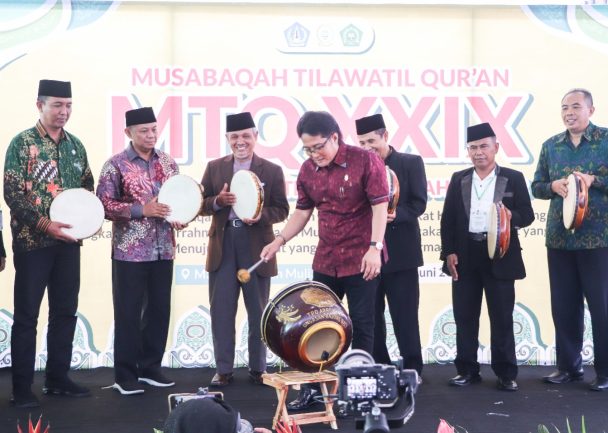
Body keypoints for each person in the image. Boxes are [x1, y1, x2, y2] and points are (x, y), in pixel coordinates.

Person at [261, 110, 389, 411]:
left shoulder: (365, 160)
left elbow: (380, 206)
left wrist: (375, 247)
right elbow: (302, 212)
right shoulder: (307, 170)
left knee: (362, 326)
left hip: (362, 258)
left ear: (334, 137)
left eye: (318, 147)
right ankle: (312, 390)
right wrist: (279, 240)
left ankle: (359, 394)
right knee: (314, 325)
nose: (314, 154)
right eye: (308, 149)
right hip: (327, 259)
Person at [532, 89, 608, 391]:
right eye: (564, 107)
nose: (569, 112)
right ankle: (568, 367)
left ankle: (607, 371)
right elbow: (536, 186)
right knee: (564, 306)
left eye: (576, 106)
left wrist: (595, 180)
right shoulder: (551, 145)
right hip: (560, 238)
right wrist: (552, 186)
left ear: (591, 110)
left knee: (602, 307)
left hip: (599, 239)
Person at [3, 79, 93, 407]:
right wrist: (45, 224)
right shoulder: (22, 143)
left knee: (65, 311)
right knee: (27, 316)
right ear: (39, 105)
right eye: (57, 105)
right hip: (33, 243)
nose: (63, 111)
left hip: (68, 242)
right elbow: (12, 194)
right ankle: (21, 388)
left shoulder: (75, 145)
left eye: (68, 105)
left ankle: (57, 378)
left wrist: (87, 220)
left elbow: (87, 187)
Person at [440, 122, 534, 392]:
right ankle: (467, 370)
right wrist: (449, 252)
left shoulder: (513, 177)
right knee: (465, 316)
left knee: (502, 317)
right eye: (473, 148)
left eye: (483, 146)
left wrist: (509, 216)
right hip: (465, 254)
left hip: (500, 254)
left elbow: (527, 215)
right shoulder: (459, 178)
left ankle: (506, 373)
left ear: (496, 148)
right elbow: (448, 219)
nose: (478, 152)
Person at [97, 107, 184, 395]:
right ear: (128, 132)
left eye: (153, 129)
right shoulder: (115, 165)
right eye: (143, 130)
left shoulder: (168, 163)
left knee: (159, 310)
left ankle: (150, 369)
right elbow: (104, 205)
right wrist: (141, 210)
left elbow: (179, 199)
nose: (150, 135)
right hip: (129, 252)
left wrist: (181, 216)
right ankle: (125, 375)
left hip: (163, 249)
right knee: (128, 313)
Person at [201, 112, 289, 388]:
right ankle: (223, 369)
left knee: (259, 311)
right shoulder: (214, 167)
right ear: (227, 138)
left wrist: (260, 215)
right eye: (235, 136)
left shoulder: (272, 170)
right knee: (221, 310)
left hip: (257, 246)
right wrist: (218, 201)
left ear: (255, 137)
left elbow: (282, 209)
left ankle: (258, 368)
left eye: (246, 136)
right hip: (223, 245)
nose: (241, 141)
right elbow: (201, 204)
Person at [355, 113, 427, 375]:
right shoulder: (357, 167)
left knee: (405, 316)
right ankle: (380, 368)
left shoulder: (410, 163)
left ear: (385, 136)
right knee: (371, 318)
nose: (367, 148)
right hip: (367, 256)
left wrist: (397, 215)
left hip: (402, 255)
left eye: (371, 141)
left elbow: (419, 203)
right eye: (362, 143)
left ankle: (413, 369)